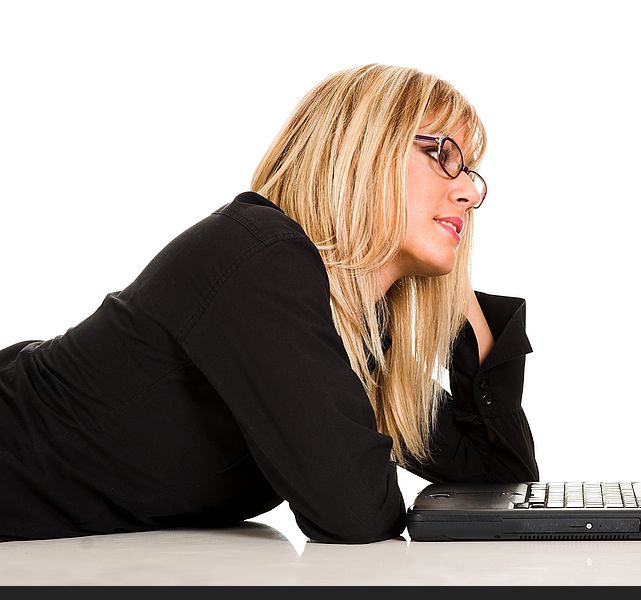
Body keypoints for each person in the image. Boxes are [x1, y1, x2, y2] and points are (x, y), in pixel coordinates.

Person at [0, 64, 539, 544]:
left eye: (470, 170)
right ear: (356, 154)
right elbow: (354, 513)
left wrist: (461, 302)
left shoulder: (355, 333)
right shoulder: (260, 254)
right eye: (441, 154)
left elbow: (500, 480)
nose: (471, 191)